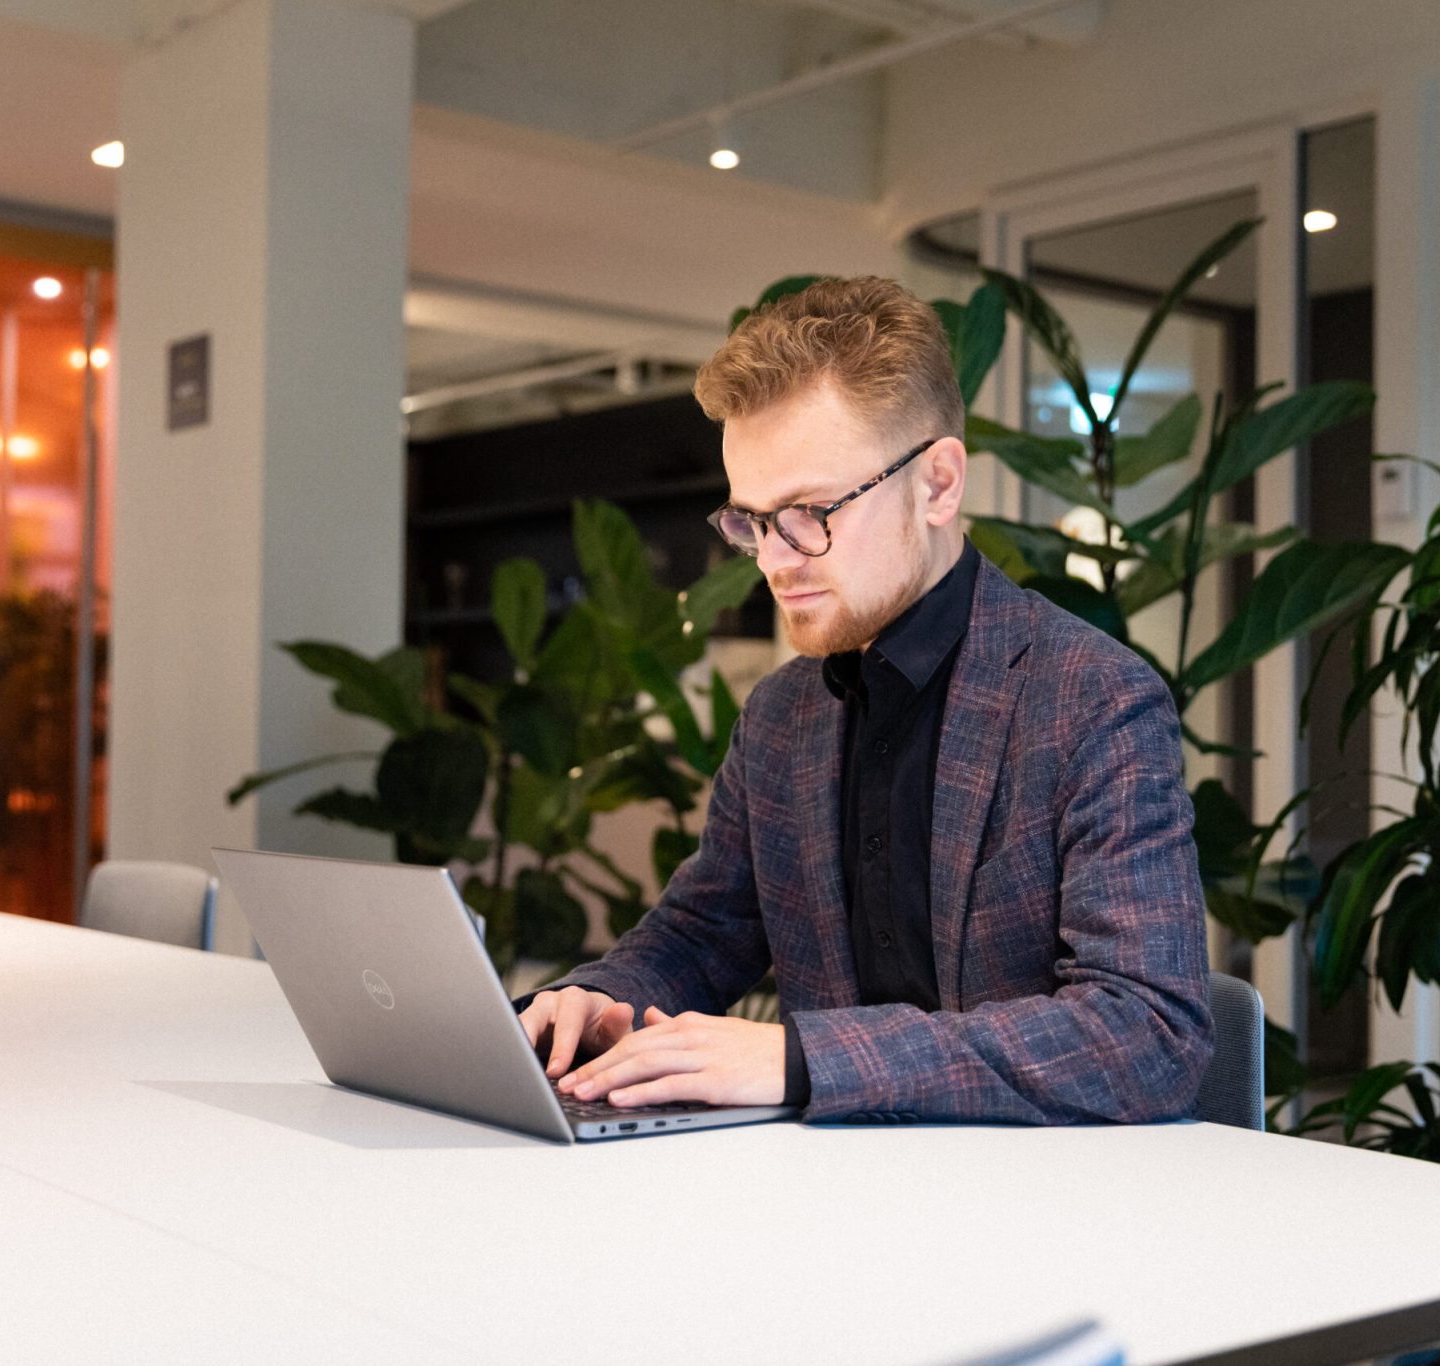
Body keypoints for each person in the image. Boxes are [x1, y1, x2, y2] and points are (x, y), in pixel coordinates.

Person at [518, 276, 1212, 1125]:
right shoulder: (779, 717)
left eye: (809, 512)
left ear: (938, 485)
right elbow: (702, 934)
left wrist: (805, 1059)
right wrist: (594, 996)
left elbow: (1148, 1034)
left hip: (1036, 1213)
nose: (774, 561)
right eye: (751, 520)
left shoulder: (1093, 701)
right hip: (828, 1201)